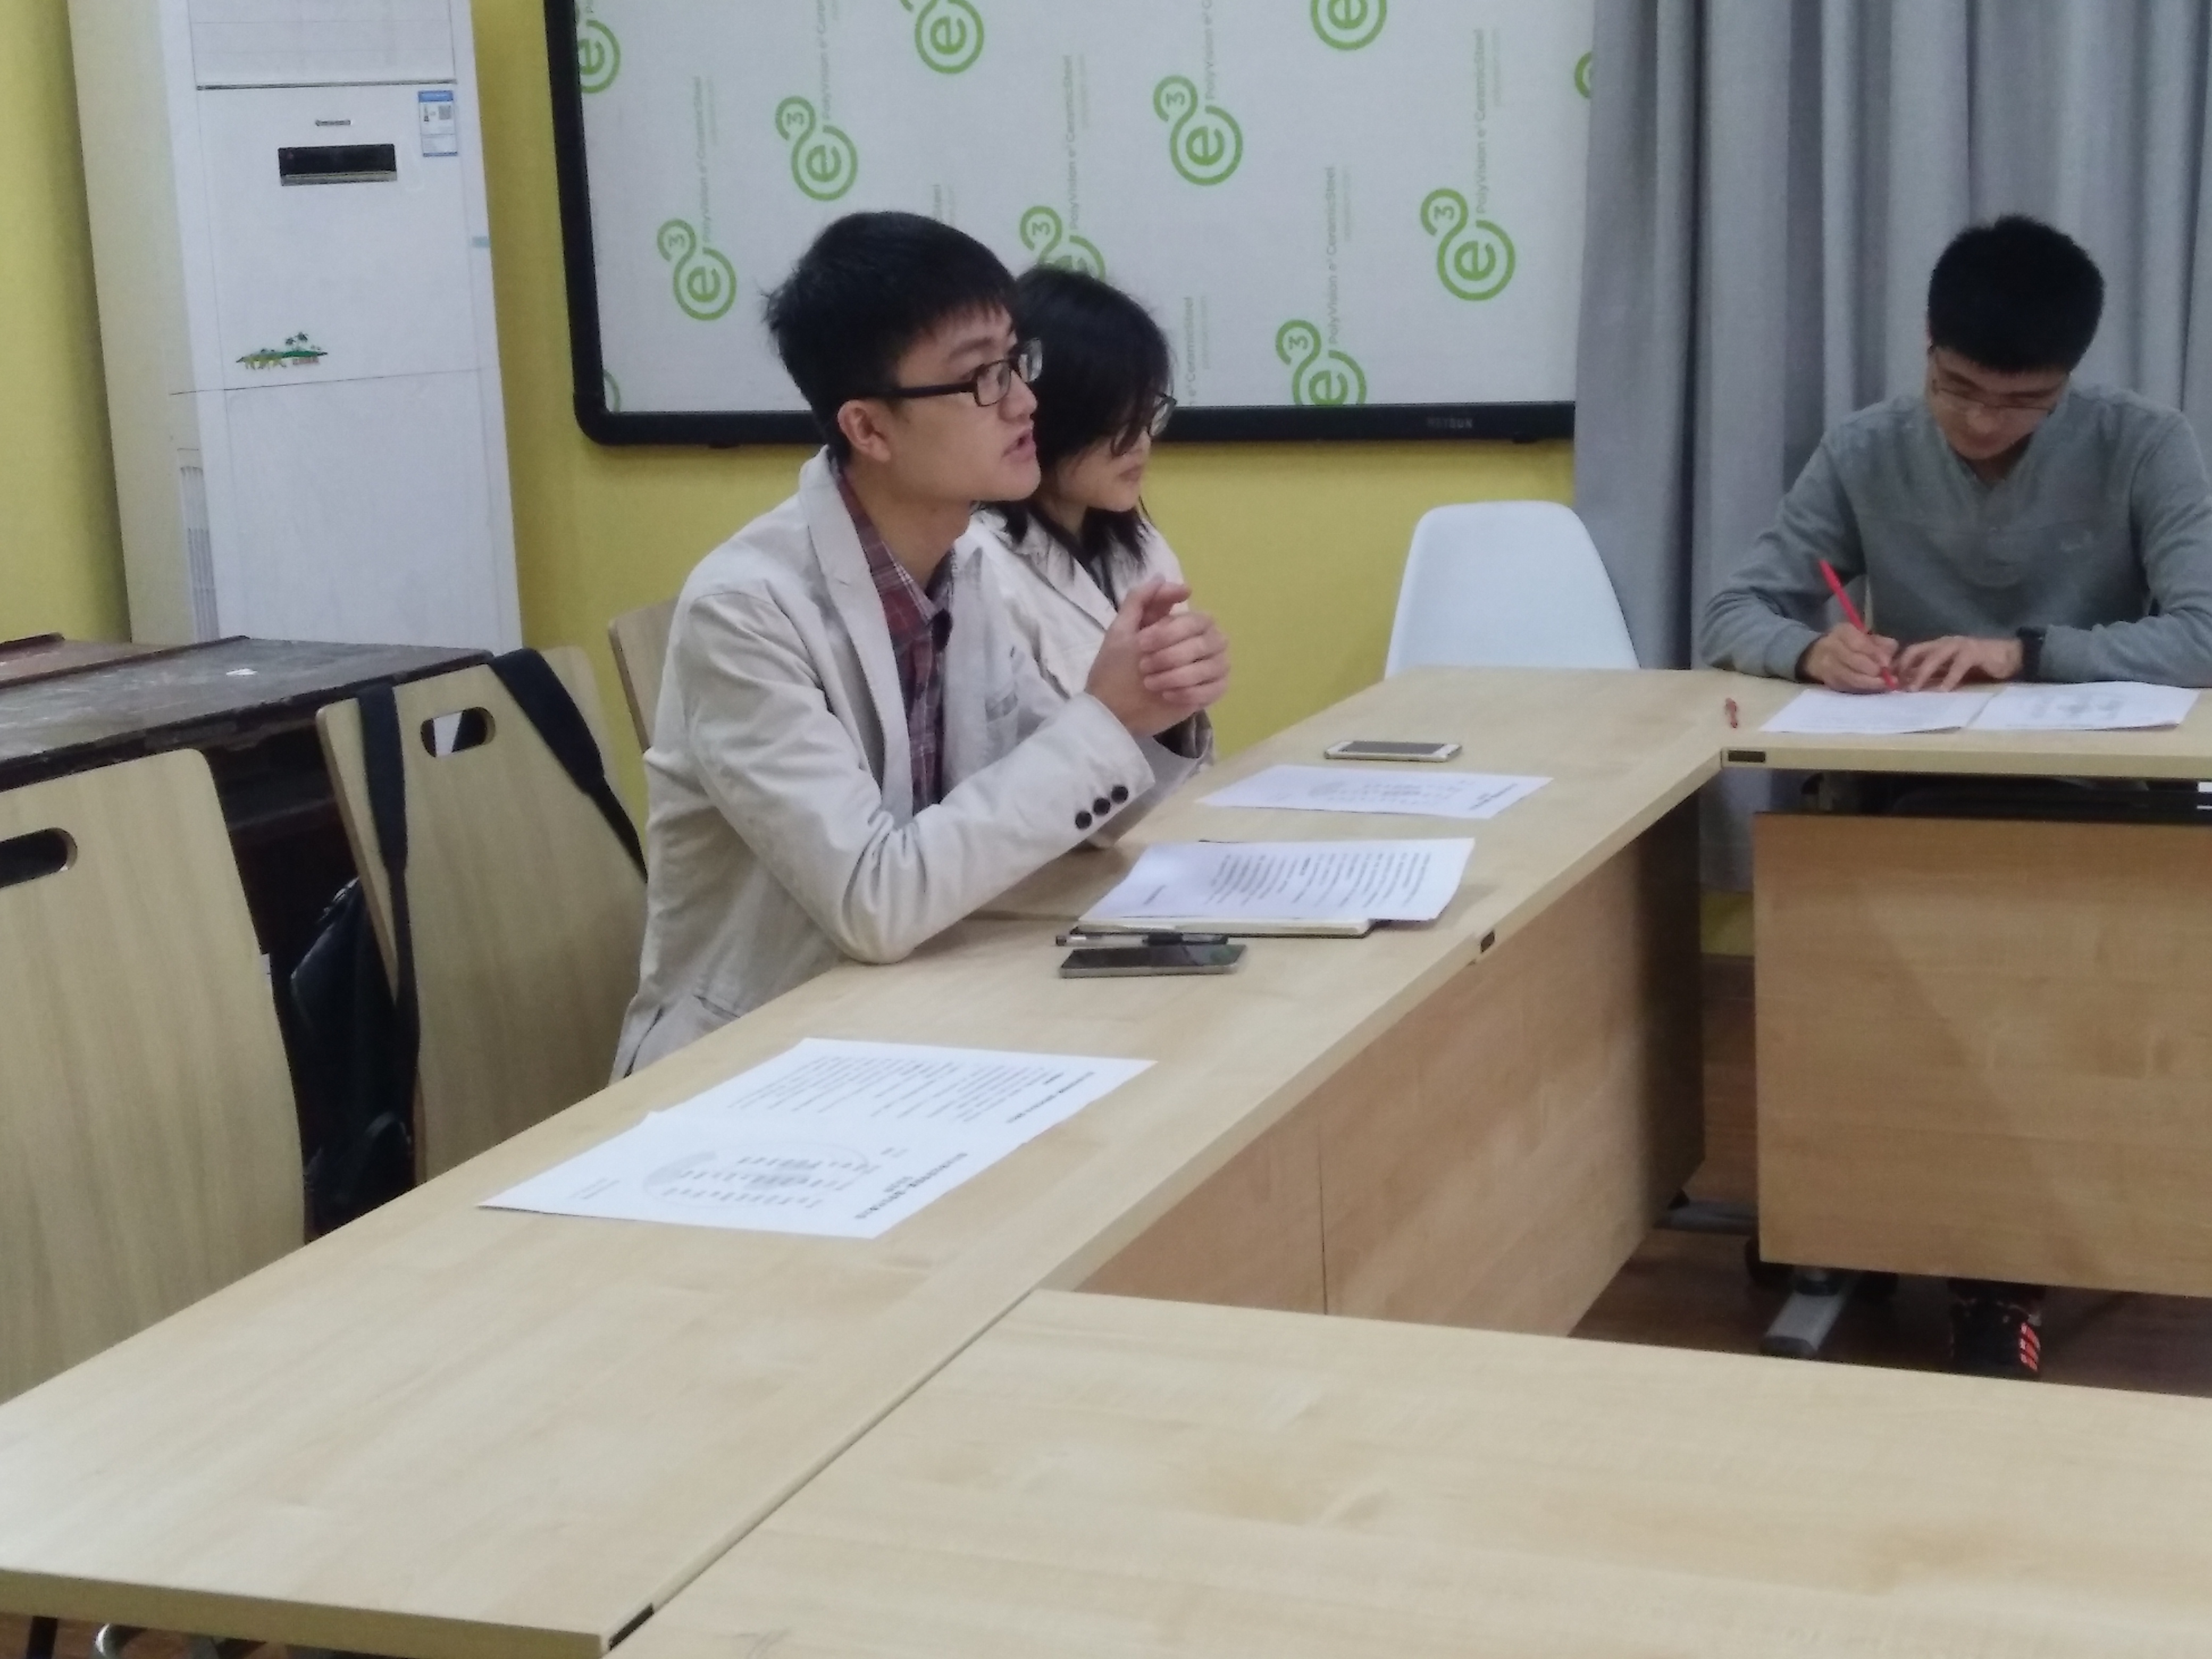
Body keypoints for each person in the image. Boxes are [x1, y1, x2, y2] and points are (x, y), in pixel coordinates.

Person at [613, 212, 1230, 1077]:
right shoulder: (745, 612)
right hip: (760, 1058)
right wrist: (1102, 719)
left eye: (1016, 361)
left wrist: (1149, 714)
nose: (1025, 402)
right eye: (981, 378)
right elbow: (875, 899)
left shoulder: (965, 563)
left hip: (925, 1015)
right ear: (869, 429)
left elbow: (1070, 821)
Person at [1700, 214, 2212, 695]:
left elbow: (2204, 636)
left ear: (2068, 373)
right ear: (1929, 335)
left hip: (2097, 752)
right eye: (1958, 388)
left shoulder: (2146, 443)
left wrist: (2024, 655)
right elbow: (1732, 612)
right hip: (1912, 748)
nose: (1982, 421)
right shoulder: (1864, 449)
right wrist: (1810, 652)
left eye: (2022, 402)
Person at [976, 267, 1214, 762]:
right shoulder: (980, 565)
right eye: (1116, 419)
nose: (1140, 442)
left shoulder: (1139, 546)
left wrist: (1181, 702)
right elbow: (1011, 776)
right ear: (1047, 415)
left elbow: (1187, 762)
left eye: (1147, 413)